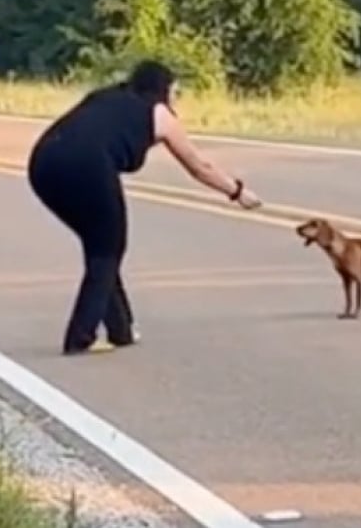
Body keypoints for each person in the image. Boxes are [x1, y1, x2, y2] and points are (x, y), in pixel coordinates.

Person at [26, 59, 263, 355]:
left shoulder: (105, 96)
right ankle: (80, 338)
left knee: (101, 247)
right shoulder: (160, 114)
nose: (176, 97)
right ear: (163, 89)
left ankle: (120, 330)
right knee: (107, 250)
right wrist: (237, 192)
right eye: (175, 90)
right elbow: (199, 167)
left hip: (43, 163)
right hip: (89, 166)